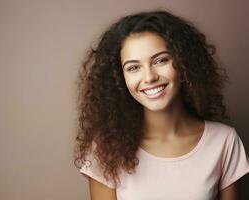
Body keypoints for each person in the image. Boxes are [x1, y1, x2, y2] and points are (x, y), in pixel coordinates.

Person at [74, 10, 249, 200]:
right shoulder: (105, 149)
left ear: (184, 63)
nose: (149, 77)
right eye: (133, 68)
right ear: (119, 78)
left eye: (160, 60)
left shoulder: (224, 142)